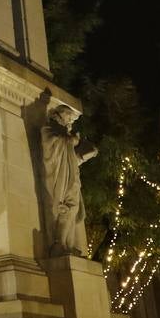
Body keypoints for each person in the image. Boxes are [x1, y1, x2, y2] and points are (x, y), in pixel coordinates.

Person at [41, 103, 98, 257]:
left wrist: (85, 154)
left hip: (71, 177)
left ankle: (65, 243)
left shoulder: (64, 136)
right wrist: (71, 140)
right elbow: (52, 148)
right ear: (59, 116)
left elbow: (70, 159)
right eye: (68, 119)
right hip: (60, 179)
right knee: (66, 207)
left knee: (72, 208)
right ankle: (58, 243)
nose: (70, 123)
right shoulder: (48, 131)